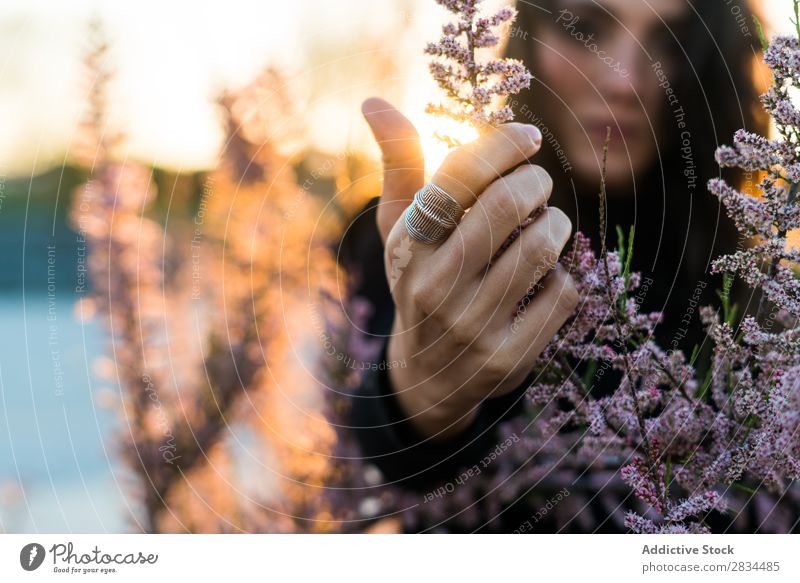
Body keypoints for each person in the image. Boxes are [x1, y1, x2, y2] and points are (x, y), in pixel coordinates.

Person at [338, 0, 770, 532]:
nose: (624, 82)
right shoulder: (429, 235)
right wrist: (426, 387)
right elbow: (389, 439)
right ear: (526, 40)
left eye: (670, 45)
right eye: (585, 28)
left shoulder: (756, 291)